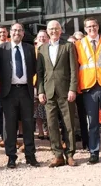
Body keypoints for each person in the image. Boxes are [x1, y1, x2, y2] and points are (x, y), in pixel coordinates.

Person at [74, 17, 101, 164]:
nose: (91, 28)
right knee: (92, 122)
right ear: (85, 29)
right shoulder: (78, 44)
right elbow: (77, 66)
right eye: (88, 27)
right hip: (88, 86)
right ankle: (94, 153)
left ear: (98, 27)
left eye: (94, 26)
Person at [0, 22, 40, 168]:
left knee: (28, 124)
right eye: (14, 30)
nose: (17, 33)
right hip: (9, 92)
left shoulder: (29, 48)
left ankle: (30, 156)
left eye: (20, 30)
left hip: (25, 91)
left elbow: (33, 69)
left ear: (23, 33)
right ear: (10, 32)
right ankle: (11, 157)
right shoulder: (2, 48)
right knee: (9, 125)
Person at [37, 20, 78, 168]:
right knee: (52, 124)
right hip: (48, 92)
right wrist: (40, 91)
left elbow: (74, 70)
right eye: (51, 29)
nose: (53, 31)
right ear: (47, 31)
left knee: (69, 124)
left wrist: (73, 88)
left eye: (56, 28)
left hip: (65, 91)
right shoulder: (41, 49)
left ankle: (70, 154)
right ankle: (57, 155)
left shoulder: (68, 46)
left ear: (60, 31)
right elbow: (40, 73)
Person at [33, 30, 48, 140]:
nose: (42, 39)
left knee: (47, 107)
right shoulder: (32, 51)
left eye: (44, 37)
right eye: (40, 37)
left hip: (47, 82)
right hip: (34, 83)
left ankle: (48, 130)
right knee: (37, 108)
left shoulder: (50, 49)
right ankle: (41, 131)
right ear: (36, 40)